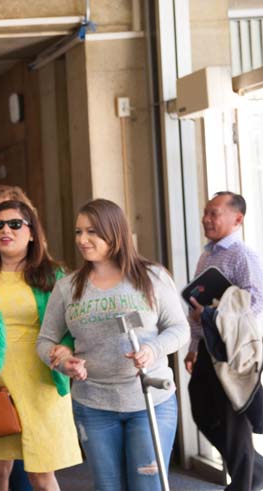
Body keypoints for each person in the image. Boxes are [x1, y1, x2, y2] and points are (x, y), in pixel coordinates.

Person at [37, 198, 189, 491]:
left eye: (92, 232)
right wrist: (61, 361)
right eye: (78, 232)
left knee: (147, 486)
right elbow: (45, 341)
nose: (82, 239)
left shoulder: (152, 277)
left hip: (150, 402)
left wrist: (152, 349)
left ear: (114, 232)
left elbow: (180, 329)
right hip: (93, 404)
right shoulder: (67, 287)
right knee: (108, 487)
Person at [0, 188, 82, 491]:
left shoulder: (53, 275)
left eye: (14, 224)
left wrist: (66, 350)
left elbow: (73, 326)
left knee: (41, 474)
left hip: (40, 381)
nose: (5, 230)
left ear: (32, 233)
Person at [185, 191, 263, 491]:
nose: (206, 219)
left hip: (234, 353)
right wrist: (194, 346)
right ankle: (257, 470)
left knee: (234, 426)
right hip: (209, 349)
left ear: (237, 219)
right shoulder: (208, 254)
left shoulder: (243, 255)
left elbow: (256, 302)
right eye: (205, 212)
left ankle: (245, 483)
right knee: (201, 411)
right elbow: (196, 305)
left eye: (214, 213)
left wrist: (214, 314)